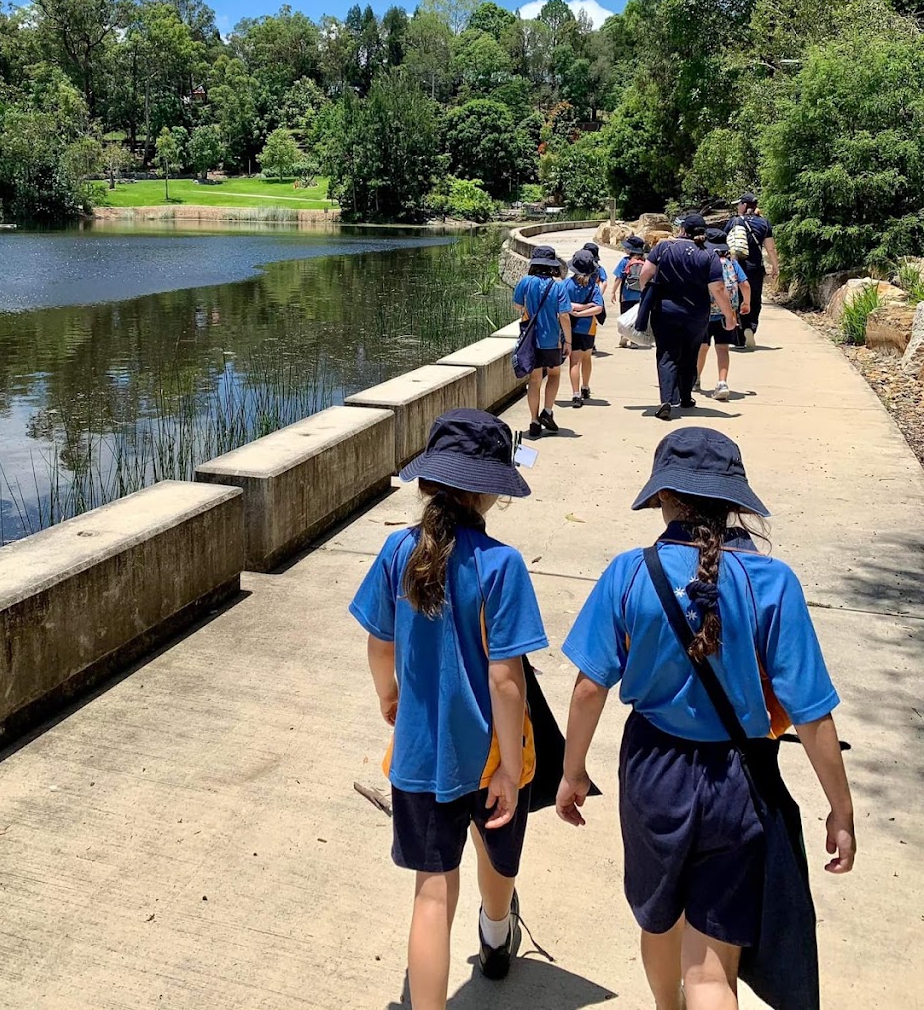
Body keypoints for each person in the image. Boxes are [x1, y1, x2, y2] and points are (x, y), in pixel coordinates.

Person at [556, 427, 856, 1010]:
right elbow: (812, 714)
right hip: (737, 782)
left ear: (663, 498)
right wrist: (839, 810)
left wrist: (571, 773)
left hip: (651, 773)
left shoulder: (629, 572)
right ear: (734, 501)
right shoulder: (773, 582)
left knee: (659, 921)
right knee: (713, 973)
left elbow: (590, 687)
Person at [349, 410, 548, 1009]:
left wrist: (389, 694)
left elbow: (379, 644)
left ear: (429, 480)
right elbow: (506, 679)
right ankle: (495, 933)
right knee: (497, 853)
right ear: (488, 490)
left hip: (419, 753)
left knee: (431, 893)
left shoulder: (396, 552)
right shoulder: (501, 565)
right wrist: (512, 769)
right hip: (490, 753)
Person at [639, 214, 736, 421]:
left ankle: (666, 399)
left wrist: (645, 296)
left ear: (682, 230)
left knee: (667, 354)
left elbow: (645, 273)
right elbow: (718, 288)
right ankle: (685, 397)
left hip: (665, 312)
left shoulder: (664, 248)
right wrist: (729, 315)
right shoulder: (709, 255)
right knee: (690, 353)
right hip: (697, 314)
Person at [513, 245, 573, 439]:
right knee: (554, 374)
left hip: (531, 340)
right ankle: (547, 411)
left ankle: (533, 421)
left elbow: (517, 306)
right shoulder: (558, 286)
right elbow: (564, 315)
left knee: (534, 380)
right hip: (552, 340)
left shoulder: (525, 282)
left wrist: (527, 311)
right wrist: (568, 342)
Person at [697, 227, 751, 402]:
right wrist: (746, 303)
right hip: (727, 313)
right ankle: (722, 383)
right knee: (722, 348)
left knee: (702, 348)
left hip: (704, 312)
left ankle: (695, 379)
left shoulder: (704, 261)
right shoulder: (732, 263)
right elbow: (745, 285)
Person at [725, 193, 779, 349]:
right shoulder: (764, 223)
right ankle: (751, 327)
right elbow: (770, 248)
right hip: (755, 268)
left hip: (736, 267)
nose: (737, 207)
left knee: (736, 300)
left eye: (738, 204)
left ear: (744, 205)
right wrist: (775, 267)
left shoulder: (734, 222)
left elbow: (724, 244)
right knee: (754, 300)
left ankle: (739, 336)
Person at [565, 249, 604, 406]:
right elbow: (599, 308)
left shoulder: (566, 284)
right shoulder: (593, 287)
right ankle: (585, 387)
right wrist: (584, 310)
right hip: (588, 328)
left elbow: (564, 306)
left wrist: (576, 311)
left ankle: (575, 395)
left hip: (570, 328)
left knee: (574, 361)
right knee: (587, 357)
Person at [610, 234, 648, 349]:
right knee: (636, 316)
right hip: (640, 295)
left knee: (625, 316)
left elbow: (618, 278)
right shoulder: (646, 261)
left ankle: (624, 337)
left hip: (626, 295)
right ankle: (634, 341)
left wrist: (613, 292)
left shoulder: (625, 261)